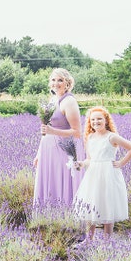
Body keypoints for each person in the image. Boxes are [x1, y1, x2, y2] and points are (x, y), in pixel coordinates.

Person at [73, 106, 131, 241]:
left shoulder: (111, 136)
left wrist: (121, 163)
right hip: (93, 174)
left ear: (106, 120)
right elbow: (90, 159)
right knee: (90, 205)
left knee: (108, 204)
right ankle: (88, 240)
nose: (96, 122)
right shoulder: (90, 137)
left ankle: (107, 242)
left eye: (99, 119)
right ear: (90, 122)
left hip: (108, 173)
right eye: (93, 120)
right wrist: (81, 163)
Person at [33, 68, 83, 206]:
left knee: (61, 182)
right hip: (48, 150)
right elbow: (46, 130)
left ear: (67, 83)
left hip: (63, 150)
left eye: (60, 80)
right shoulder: (52, 99)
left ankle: (65, 216)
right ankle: (49, 217)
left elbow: (77, 131)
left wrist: (52, 131)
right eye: (53, 80)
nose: (56, 83)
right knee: (50, 182)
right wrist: (39, 153)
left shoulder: (69, 102)